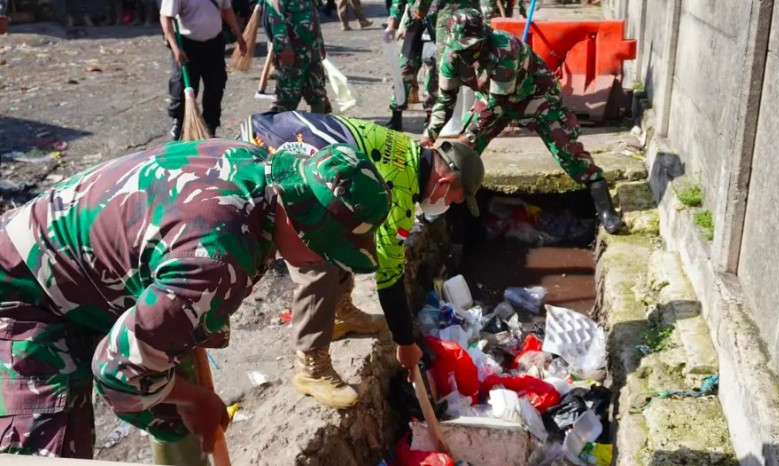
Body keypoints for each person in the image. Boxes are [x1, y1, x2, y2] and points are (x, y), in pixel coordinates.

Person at [0, 140, 392, 458]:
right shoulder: (215, 261)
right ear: (295, 217)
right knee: (51, 449)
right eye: (325, 247)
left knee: (168, 396)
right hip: (23, 288)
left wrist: (180, 390)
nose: (323, 261)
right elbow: (116, 373)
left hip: (79, 267)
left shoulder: (257, 170)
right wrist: (194, 400)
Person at [241, 111, 485, 408]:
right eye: (455, 200)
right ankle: (312, 366)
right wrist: (405, 343)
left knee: (346, 229)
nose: (450, 205)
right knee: (317, 251)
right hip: (269, 146)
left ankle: (341, 311)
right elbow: (389, 276)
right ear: (445, 182)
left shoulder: (410, 154)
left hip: (287, 137)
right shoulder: (400, 188)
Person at [422, 9, 623, 233]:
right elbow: (445, 99)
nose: (468, 51)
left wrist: (473, 130)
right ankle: (444, 209)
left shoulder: (504, 49)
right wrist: (430, 135)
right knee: (460, 152)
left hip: (534, 97)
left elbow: (497, 105)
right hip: (491, 98)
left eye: (473, 45)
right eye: (462, 46)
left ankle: (602, 200)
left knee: (565, 149)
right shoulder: (451, 58)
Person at [160, 0, 246, 139]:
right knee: (183, 87)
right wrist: (175, 47)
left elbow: (227, 9)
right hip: (187, 45)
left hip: (214, 43)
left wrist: (238, 34)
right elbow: (165, 17)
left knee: (215, 86)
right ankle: (179, 124)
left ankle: (210, 127)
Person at [263, 0, 332, 114]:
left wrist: (320, 44)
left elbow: (313, 16)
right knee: (287, 96)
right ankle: (281, 127)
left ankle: (318, 124)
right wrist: (285, 47)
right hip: (292, 53)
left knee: (317, 93)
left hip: (312, 51)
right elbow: (276, 20)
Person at [383, 0, 438, 131]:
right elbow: (398, 2)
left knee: (432, 74)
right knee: (404, 71)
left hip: (436, 28)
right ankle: (396, 117)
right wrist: (391, 25)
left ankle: (431, 118)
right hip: (413, 26)